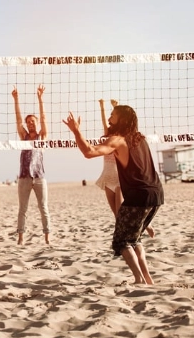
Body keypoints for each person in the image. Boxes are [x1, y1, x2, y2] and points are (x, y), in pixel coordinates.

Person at [63, 105, 164, 285]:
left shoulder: (118, 140)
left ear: (122, 120)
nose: (109, 118)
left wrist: (76, 131)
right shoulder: (141, 139)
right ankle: (147, 278)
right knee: (135, 238)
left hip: (138, 196)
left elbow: (89, 152)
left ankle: (139, 279)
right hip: (156, 194)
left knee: (121, 242)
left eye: (113, 115)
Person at [96, 99, 155, 237]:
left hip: (119, 175)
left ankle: (146, 225)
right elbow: (107, 121)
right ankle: (134, 234)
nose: (110, 121)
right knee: (117, 216)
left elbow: (123, 118)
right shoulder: (108, 136)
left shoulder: (123, 138)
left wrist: (114, 106)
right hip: (107, 174)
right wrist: (102, 107)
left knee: (123, 212)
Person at [11, 84, 51, 245]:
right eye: (29, 122)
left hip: (39, 177)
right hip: (24, 177)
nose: (30, 123)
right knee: (23, 209)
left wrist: (40, 99)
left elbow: (44, 118)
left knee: (43, 208)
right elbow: (18, 119)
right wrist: (16, 99)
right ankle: (21, 238)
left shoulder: (42, 136)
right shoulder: (24, 137)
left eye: (32, 121)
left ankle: (47, 237)